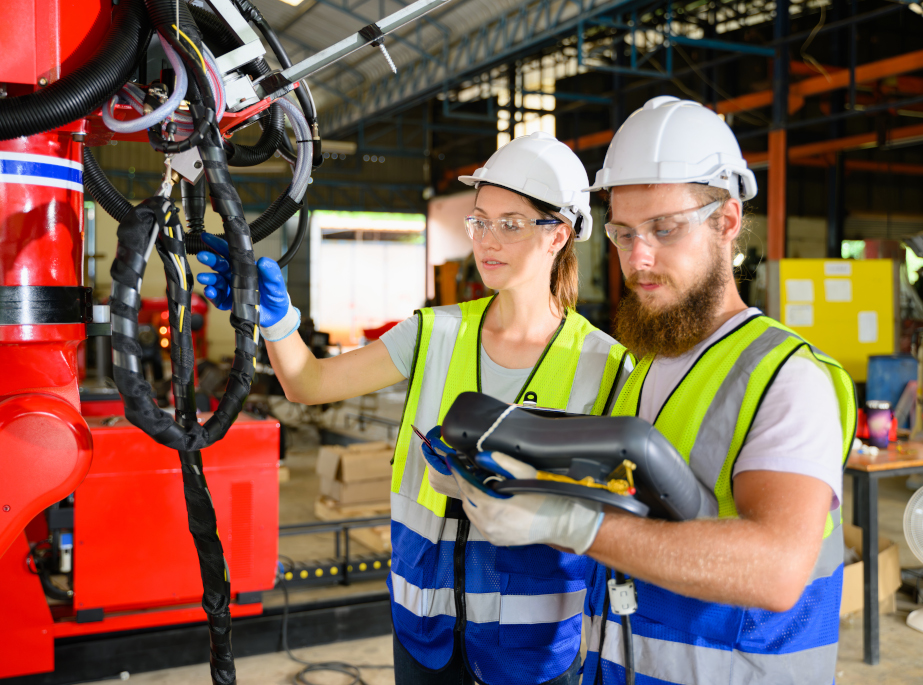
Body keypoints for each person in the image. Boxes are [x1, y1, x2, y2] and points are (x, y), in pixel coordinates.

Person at [196, 131, 633, 685]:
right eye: (480, 220)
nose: (487, 240)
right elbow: (308, 382)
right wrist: (274, 319)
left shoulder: (606, 367)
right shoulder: (434, 333)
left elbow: (619, 519)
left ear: (559, 235)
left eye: (512, 223)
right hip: (425, 633)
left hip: (535, 650)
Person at [445, 98, 857, 684]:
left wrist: (574, 527)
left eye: (665, 229)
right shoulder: (642, 372)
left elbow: (777, 570)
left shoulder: (786, 377)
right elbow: (637, 513)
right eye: (622, 233)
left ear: (727, 221)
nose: (638, 259)